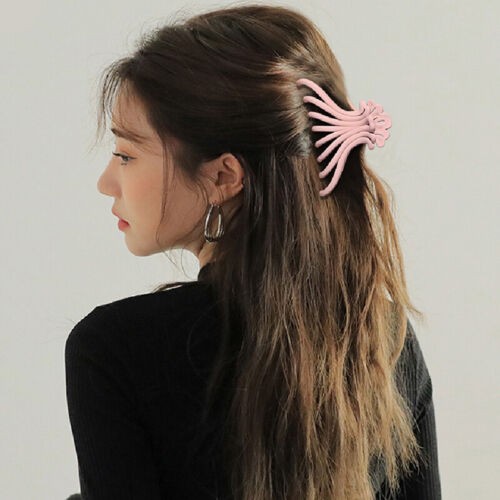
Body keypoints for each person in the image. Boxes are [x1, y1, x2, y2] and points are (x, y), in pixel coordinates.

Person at [65, 4, 441, 499]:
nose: (106, 182)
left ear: (224, 176)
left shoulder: (115, 349)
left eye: (125, 154)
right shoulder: (381, 338)